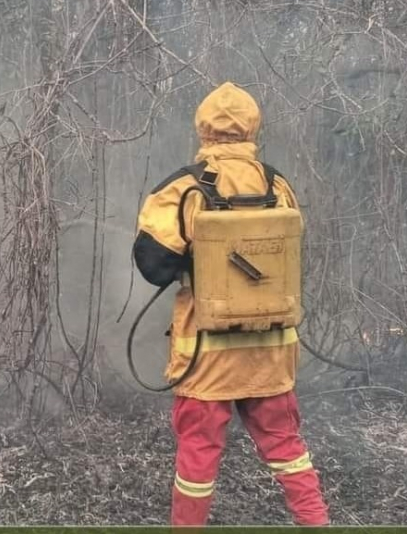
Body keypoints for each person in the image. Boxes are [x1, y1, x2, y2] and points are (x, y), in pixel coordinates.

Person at [132, 82, 329, 527]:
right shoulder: (278, 185)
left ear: (203, 129)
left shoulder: (184, 189)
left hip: (207, 353)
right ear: (252, 126)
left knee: (198, 455)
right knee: (286, 445)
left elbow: (153, 266)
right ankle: (316, 522)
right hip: (271, 349)